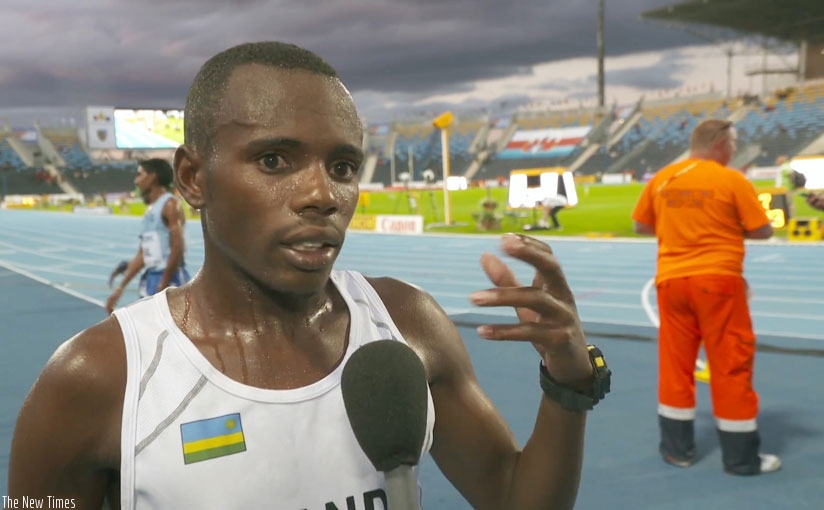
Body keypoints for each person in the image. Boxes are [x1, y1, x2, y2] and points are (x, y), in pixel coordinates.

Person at [9, 41, 610, 509]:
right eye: (275, 160)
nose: (322, 194)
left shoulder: (406, 324)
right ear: (193, 179)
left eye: (343, 166)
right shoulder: (95, 379)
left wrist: (569, 384)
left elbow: (512, 497)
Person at [631, 118, 780, 476]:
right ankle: (741, 458)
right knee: (730, 364)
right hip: (718, 282)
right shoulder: (731, 179)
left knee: (675, 366)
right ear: (719, 143)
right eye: (733, 143)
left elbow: (641, 225)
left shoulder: (663, 178)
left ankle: (677, 451)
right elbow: (761, 230)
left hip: (671, 282)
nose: (734, 149)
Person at [104, 158, 190, 314]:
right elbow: (142, 255)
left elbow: (178, 246)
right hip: (151, 279)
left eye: (139, 175)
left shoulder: (170, 205)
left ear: (152, 177)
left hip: (172, 280)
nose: (136, 181)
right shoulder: (149, 211)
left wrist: (164, 282)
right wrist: (120, 289)